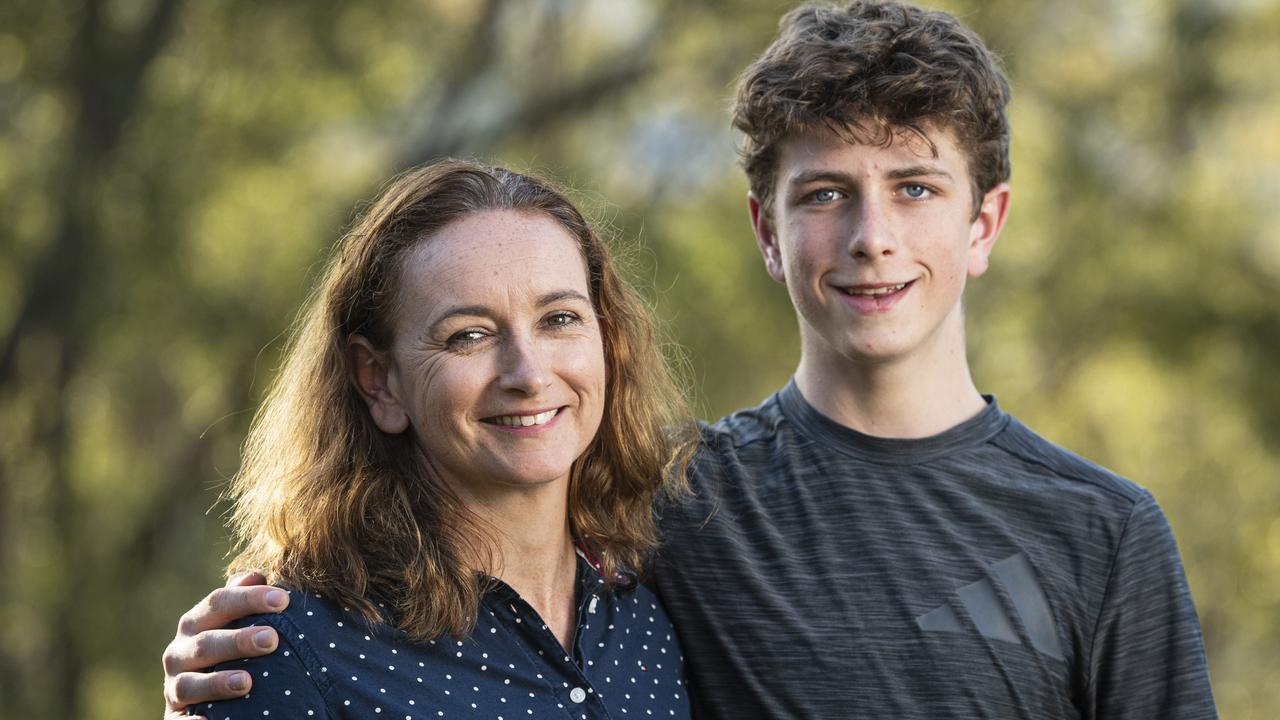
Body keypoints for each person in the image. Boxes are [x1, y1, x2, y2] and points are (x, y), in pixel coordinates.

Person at [165, 2, 1219, 718]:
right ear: (765, 230)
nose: (870, 237)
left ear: (983, 223)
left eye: (913, 187)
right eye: (823, 194)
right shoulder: (666, 500)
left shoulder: (1101, 532)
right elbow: (444, 533)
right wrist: (216, 676)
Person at [170, 159, 696, 719]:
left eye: (559, 319)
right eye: (469, 335)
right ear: (380, 380)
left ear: (606, 337)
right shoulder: (285, 648)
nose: (530, 375)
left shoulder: (653, 608)